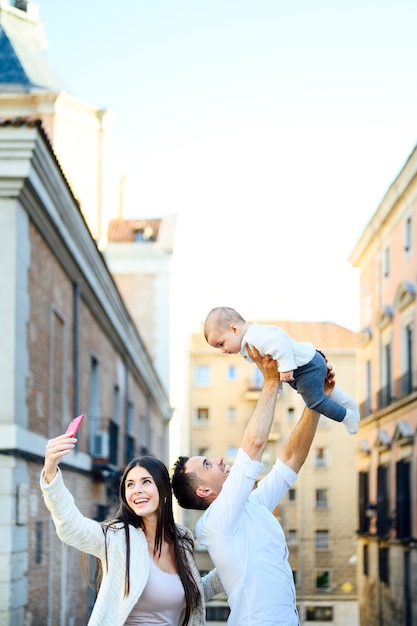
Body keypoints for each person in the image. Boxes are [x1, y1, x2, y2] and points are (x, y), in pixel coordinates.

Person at [172, 346, 336, 626]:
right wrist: (271, 380)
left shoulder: (252, 506)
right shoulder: (215, 522)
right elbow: (254, 445)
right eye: (208, 464)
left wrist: (317, 400)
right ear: (203, 492)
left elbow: (291, 460)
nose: (219, 459)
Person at [40, 439, 223, 626]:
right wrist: (50, 472)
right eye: (130, 485)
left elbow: (198, 592)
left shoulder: (182, 539)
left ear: (163, 489)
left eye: (146, 482)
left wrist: (236, 563)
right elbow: (72, 527)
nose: (137, 491)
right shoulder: (116, 537)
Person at [203, 306, 359, 435]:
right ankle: (349, 404)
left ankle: (347, 417)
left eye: (221, 344)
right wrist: (275, 383)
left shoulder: (254, 337)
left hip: (306, 367)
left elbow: (280, 342)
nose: (222, 350)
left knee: (315, 402)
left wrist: (286, 367)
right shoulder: (250, 340)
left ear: (234, 329)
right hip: (309, 361)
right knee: (325, 392)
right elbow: (269, 367)